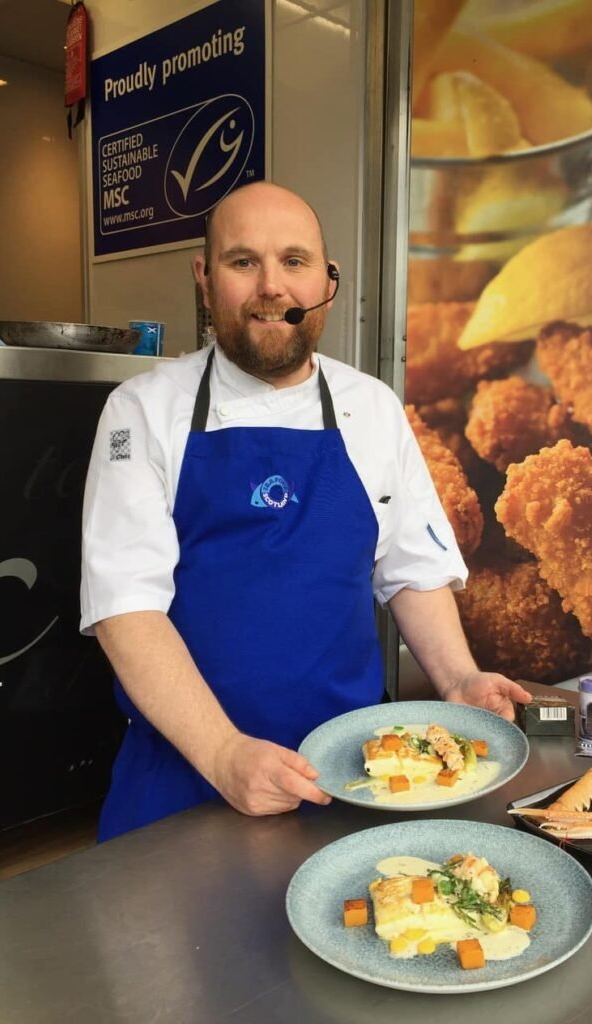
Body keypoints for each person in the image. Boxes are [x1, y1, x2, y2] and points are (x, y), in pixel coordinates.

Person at [80, 181, 531, 841]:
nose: (272, 286)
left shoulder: (371, 407)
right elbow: (126, 613)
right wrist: (223, 753)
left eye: (294, 261)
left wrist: (459, 679)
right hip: (186, 773)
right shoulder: (141, 411)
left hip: (355, 774)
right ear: (205, 279)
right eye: (243, 262)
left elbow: (411, 567)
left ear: (329, 279)